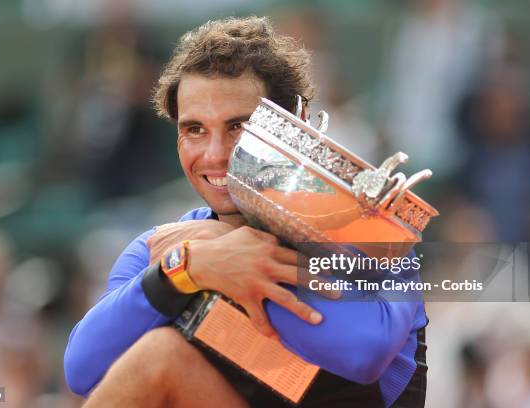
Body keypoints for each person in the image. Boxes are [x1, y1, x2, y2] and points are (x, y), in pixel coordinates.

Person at [64, 16, 427, 408]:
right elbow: (82, 371)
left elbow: (364, 353)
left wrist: (224, 253)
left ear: (298, 125)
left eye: (239, 126)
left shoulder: (375, 238)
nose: (216, 155)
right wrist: (185, 271)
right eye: (194, 130)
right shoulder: (169, 249)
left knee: (161, 357)